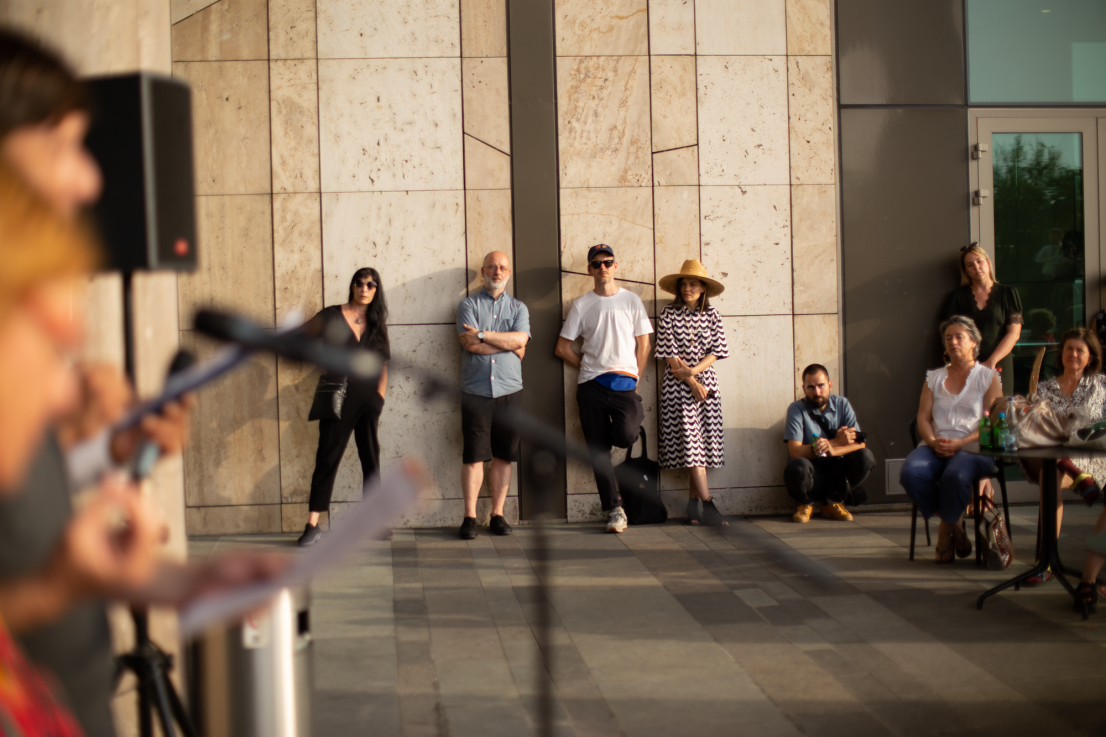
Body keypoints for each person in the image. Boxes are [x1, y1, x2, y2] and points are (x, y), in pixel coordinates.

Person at [555, 245, 652, 533]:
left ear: (615, 266)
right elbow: (562, 348)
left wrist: (636, 377)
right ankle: (615, 510)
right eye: (596, 264)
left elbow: (644, 345)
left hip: (625, 385)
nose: (603, 268)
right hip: (591, 387)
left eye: (608, 262)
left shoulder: (631, 300)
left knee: (627, 434)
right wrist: (589, 366)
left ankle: (602, 445)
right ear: (589, 270)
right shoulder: (582, 304)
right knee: (598, 453)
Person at [298, 268, 390, 547]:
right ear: (352, 286)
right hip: (338, 398)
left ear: (376, 290)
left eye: (371, 284)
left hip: (369, 400)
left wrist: (380, 397)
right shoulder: (331, 315)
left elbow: (382, 364)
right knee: (327, 457)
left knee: (371, 459)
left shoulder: (376, 322)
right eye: (360, 283)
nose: (365, 288)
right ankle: (312, 525)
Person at [900, 316, 1003, 563]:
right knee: (910, 473)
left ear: (974, 342)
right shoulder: (934, 377)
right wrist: (932, 441)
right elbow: (923, 418)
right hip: (936, 445)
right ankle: (955, 522)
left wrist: (961, 443)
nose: (953, 342)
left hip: (974, 447)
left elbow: (993, 422)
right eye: (948, 338)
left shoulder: (988, 377)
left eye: (959, 337)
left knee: (955, 475)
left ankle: (945, 533)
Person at [1018, 328, 1106, 587]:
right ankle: (1047, 561)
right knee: (1051, 472)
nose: (1074, 354)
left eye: (1080, 350)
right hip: (1055, 457)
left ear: (1091, 357)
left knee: (1053, 470)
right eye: (1069, 348)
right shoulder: (1045, 388)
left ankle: (1045, 563)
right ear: (1061, 353)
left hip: (1093, 457)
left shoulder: (1101, 385)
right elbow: (1034, 427)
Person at [455, 252, 530, 539]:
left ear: (509, 273)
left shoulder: (519, 308)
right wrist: (509, 345)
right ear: (483, 270)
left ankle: (497, 515)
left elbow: (521, 339)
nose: (497, 272)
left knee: (504, 455)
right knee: (473, 456)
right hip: (476, 391)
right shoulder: (468, 305)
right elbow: (470, 345)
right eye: (492, 267)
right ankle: (469, 518)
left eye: (502, 268)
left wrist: (483, 335)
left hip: (510, 391)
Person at [655, 260, 730, 527]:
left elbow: (717, 351)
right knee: (692, 446)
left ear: (703, 289)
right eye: (684, 284)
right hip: (678, 387)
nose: (687, 288)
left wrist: (695, 373)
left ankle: (691, 505)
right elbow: (669, 354)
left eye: (693, 284)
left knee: (703, 447)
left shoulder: (713, 315)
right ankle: (708, 505)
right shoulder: (668, 314)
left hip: (707, 385)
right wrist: (691, 381)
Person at [783, 364, 874, 523]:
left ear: (830, 385)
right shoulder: (796, 409)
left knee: (866, 457)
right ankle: (805, 504)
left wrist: (833, 449)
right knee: (798, 465)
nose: (817, 392)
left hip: (836, 473)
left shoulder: (842, 404)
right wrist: (836, 441)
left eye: (821, 386)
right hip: (810, 475)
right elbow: (795, 451)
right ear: (804, 388)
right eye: (811, 387)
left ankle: (832, 503)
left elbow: (860, 444)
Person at [943, 243, 1023, 393]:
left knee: (999, 406)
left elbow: (1014, 334)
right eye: (970, 265)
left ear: (988, 262)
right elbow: (951, 335)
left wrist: (991, 362)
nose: (976, 267)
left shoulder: (1007, 293)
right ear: (966, 271)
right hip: (967, 367)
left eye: (979, 261)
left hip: (999, 363)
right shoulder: (957, 297)